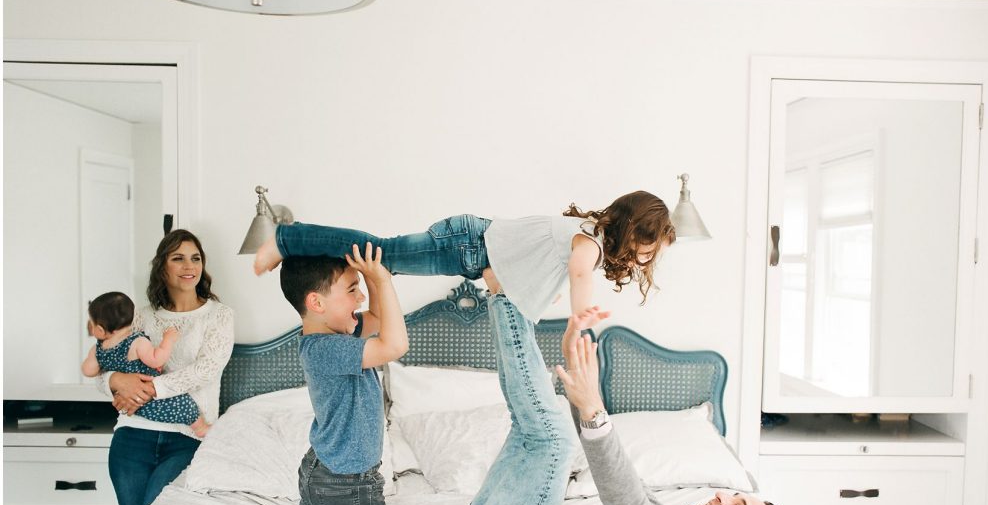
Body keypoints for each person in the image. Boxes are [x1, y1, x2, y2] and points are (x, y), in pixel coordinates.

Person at [448, 299, 788, 505]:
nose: (723, 497)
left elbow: (625, 502)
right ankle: (504, 296)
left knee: (551, 440)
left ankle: (507, 296)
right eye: (734, 497)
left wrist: (594, 408)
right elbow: (619, 470)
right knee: (536, 428)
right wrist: (574, 366)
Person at [223, 243, 408, 505]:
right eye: (352, 291)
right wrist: (383, 282)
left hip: (317, 471)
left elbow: (380, 321)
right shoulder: (332, 350)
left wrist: (369, 281)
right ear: (317, 303)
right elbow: (394, 345)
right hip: (351, 481)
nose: (359, 300)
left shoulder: (325, 339)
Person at [252, 191, 676, 331]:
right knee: (378, 253)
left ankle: (291, 241)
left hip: (471, 248)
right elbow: (578, 270)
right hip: (467, 245)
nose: (645, 258)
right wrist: (579, 313)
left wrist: (540, 295)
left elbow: (544, 264)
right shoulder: (590, 244)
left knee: (382, 257)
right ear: (632, 231)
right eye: (647, 248)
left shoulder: (586, 233)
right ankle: (287, 238)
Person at [97, 230, 234, 505]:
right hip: (133, 434)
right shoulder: (140, 317)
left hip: (187, 436)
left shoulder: (219, 316)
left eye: (195, 259)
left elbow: (206, 369)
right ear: (162, 267)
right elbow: (103, 365)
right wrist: (116, 381)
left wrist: (150, 389)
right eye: (178, 258)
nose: (189, 266)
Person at [82, 291, 210, 437]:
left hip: (130, 403)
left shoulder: (98, 349)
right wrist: (168, 340)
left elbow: (88, 371)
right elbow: (157, 359)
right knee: (184, 403)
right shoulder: (137, 341)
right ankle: (200, 428)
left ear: (99, 329)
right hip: (153, 398)